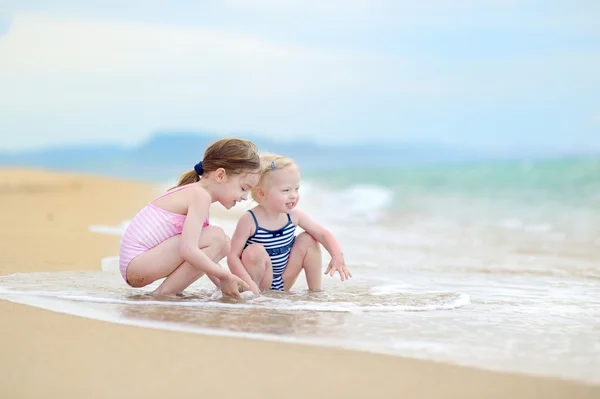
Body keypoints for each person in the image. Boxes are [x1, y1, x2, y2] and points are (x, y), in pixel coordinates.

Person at [119, 138, 261, 298]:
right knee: (217, 238)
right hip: (138, 265)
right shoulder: (199, 195)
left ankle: (168, 291)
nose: (244, 197)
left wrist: (228, 286)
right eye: (243, 188)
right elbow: (188, 250)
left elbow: (205, 257)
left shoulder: (198, 195)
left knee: (223, 242)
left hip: (139, 266)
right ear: (220, 175)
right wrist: (225, 276)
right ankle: (164, 293)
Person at [227, 153, 351, 295]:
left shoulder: (293, 216)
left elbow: (322, 234)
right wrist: (248, 284)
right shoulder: (249, 220)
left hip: (283, 280)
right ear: (262, 193)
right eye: (286, 190)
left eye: (296, 189)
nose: (293, 195)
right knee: (254, 250)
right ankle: (255, 295)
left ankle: (316, 292)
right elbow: (232, 256)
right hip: (257, 283)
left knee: (308, 239)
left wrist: (337, 255)